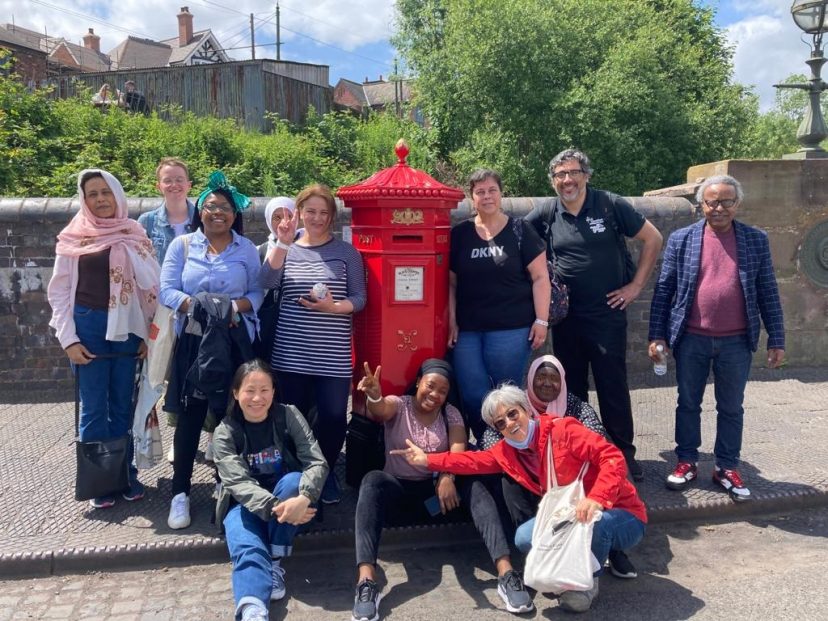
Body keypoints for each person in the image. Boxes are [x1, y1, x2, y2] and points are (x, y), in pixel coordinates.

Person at [391, 385, 647, 613]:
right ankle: (577, 563)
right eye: (500, 423)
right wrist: (427, 459)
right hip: (569, 516)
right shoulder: (507, 451)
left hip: (621, 512)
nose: (510, 424)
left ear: (526, 409)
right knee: (525, 538)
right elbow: (471, 461)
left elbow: (611, 457)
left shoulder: (563, 430)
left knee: (595, 525)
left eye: (513, 413)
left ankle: (587, 583)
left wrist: (596, 498)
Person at [352, 359, 533, 621]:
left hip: (438, 501)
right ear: (418, 383)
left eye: (443, 391)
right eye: (430, 386)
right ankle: (366, 583)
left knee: (474, 484)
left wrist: (447, 475)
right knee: (372, 481)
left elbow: (459, 452)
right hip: (399, 495)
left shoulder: (451, 414)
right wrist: (374, 394)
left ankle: (506, 573)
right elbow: (380, 409)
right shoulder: (400, 405)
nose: (435, 395)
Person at [525, 149, 663, 480]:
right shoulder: (547, 211)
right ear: (553, 180)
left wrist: (635, 286)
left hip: (606, 315)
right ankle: (578, 451)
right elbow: (517, 238)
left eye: (573, 173)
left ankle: (622, 454)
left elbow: (653, 238)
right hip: (567, 317)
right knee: (569, 388)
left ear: (586, 175)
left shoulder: (608, 205)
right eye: (560, 175)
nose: (567, 180)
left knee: (611, 385)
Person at [648, 174, 785, 502]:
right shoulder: (682, 239)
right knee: (688, 403)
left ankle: (725, 466)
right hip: (691, 337)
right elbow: (664, 290)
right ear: (701, 205)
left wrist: (776, 338)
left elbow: (767, 290)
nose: (719, 208)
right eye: (712, 202)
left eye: (726, 201)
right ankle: (686, 461)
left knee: (731, 407)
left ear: (737, 204)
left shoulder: (755, 240)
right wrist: (658, 336)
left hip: (737, 340)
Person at [47, 169, 160, 508]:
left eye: (105, 192)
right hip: (89, 327)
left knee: (123, 404)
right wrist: (68, 340)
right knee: (94, 407)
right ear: (84, 199)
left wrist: (149, 338)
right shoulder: (74, 237)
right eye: (92, 193)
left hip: (129, 328)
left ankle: (125, 473)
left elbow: (151, 288)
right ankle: (98, 482)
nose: (100, 199)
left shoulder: (135, 233)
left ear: (117, 194)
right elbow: (59, 291)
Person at [160, 171, 263, 529]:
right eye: (211, 206)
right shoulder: (182, 246)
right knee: (190, 416)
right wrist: (198, 305)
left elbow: (256, 294)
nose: (217, 212)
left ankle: (226, 483)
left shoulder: (247, 249)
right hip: (194, 340)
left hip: (233, 340)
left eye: (225, 208)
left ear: (235, 216)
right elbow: (167, 290)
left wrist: (232, 309)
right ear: (200, 211)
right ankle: (180, 493)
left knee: (229, 416)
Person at [259, 184, 366, 505]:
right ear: (298, 213)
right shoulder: (286, 247)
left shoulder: (347, 253)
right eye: (311, 211)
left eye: (324, 212)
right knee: (293, 418)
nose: (317, 218)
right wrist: (282, 241)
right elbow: (265, 282)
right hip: (290, 352)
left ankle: (324, 473)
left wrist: (334, 308)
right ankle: (296, 476)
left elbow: (360, 298)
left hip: (332, 354)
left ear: (332, 216)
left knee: (333, 418)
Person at [213, 360, 327, 621]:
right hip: (244, 504)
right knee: (248, 549)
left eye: (264, 390)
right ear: (235, 393)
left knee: (294, 481)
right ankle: (253, 610)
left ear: (274, 391)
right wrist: (283, 508)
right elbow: (238, 483)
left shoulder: (288, 415)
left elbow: (316, 460)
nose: (257, 398)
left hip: (289, 499)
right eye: (249, 390)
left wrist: (305, 497)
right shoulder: (225, 432)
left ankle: (275, 558)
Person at [450, 169, 551, 440]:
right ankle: (487, 447)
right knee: (473, 394)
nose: (487, 196)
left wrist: (542, 320)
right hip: (469, 329)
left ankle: (511, 451)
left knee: (506, 397)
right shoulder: (460, 234)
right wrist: (451, 321)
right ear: (472, 197)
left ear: (501, 193)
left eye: (492, 190)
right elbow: (450, 284)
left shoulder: (520, 230)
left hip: (511, 329)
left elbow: (541, 277)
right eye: (480, 191)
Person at [139, 158, 198, 464]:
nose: (174, 185)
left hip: (197, 307)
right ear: (158, 186)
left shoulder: (203, 216)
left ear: (190, 184)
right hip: (161, 310)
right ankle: (178, 436)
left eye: (180, 179)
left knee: (201, 370)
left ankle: (209, 436)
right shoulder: (146, 222)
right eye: (168, 180)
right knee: (166, 373)